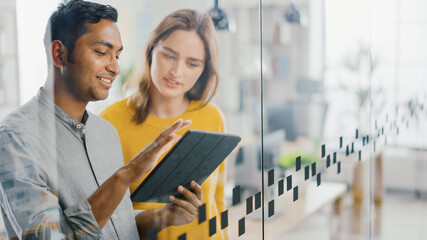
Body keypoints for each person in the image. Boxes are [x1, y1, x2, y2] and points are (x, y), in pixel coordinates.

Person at [0, 1, 203, 239]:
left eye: (117, 55)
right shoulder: (15, 138)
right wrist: (126, 175)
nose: (115, 67)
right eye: (101, 52)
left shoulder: (106, 132)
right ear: (59, 54)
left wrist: (165, 216)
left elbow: (118, 224)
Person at [100, 9, 228, 240]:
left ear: (204, 69)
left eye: (192, 63)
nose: (176, 72)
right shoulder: (110, 122)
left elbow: (217, 202)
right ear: (151, 51)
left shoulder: (212, 117)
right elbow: (106, 222)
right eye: (168, 55)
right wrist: (161, 217)